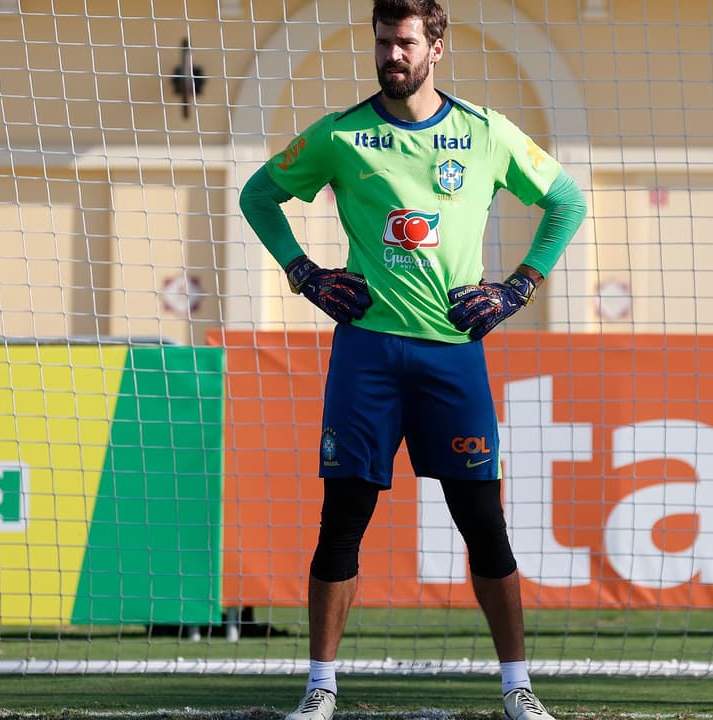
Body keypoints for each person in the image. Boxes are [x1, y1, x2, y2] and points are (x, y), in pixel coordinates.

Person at [239, 1, 586, 718]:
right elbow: (258, 196)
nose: (391, 56)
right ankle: (319, 688)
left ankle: (517, 685)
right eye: (382, 43)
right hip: (366, 352)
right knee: (343, 518)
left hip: (453, 356)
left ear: (436, 48)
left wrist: (519, 286)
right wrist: (304, 273)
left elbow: (565, 201)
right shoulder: (341, 135)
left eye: (404, 43)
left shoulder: (485, 134)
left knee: (483, 522)